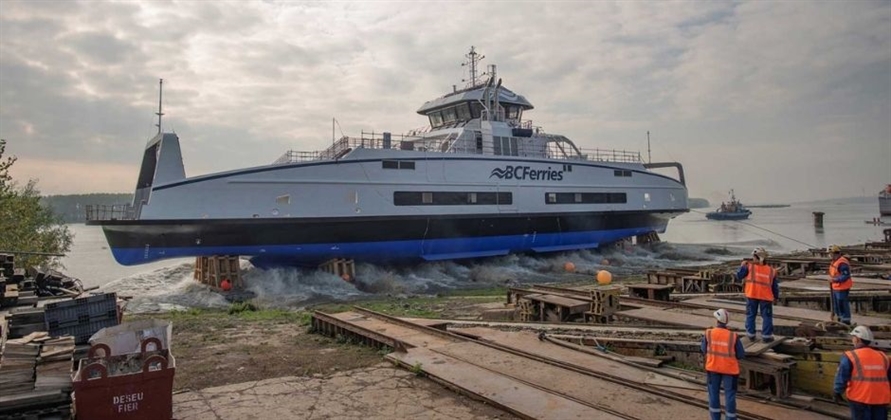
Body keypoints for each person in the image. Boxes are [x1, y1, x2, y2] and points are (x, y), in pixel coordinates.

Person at [833, 326, 890, 419]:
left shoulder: (850, 356)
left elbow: (842, 376)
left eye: (853, 337)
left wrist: (837, 391)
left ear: (857, 339)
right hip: (881, 400)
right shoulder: (883, 356)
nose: (852, 339)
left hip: (860, 399)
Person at [701, 308, 746, 420]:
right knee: (730, 395)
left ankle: (715, 418)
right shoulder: (733, 336)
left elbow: (703, 349)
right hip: (730, 371)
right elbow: (740, 354)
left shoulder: (709, 333)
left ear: (717, 320)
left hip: (713, 368)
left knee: (713, 394)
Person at [736, 247, 779, 343]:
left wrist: (742, 266)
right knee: (767, 317)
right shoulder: (771, 271)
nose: (753, 259)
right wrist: (776, 297)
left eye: (754, 257)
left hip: (752, 295)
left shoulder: (749, 267)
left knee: (751, 315)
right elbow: (775, 287)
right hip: (766, 297)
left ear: (758, 257)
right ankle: (767, 336)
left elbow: (739, 276)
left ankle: (751, 335)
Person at [827, 245, 853, 325]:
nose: (829, 255)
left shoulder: (842, 263)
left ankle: (846, 321)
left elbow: (845, 275)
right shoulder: (834, 261)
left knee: (842, 304)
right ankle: (839, 319)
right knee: (837, 305)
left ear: (835, 253)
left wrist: (835, 280)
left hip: (842, 287)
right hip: (835, 287)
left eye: (830, 254)